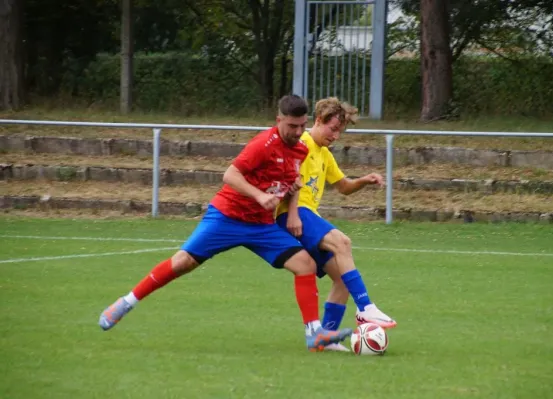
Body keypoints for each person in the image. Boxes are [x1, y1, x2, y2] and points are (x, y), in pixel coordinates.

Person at [98, 95, 352, 352]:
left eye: (301, 126)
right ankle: (126, 302)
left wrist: (293, 209)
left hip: (261, 225)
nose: (297, 132)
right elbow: (230, 174)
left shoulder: (300, 149)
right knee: (182, 262)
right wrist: (259, 195)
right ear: (279, 121)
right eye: (292, 126)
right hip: (228, 216)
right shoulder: (263, 144)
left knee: (305, 264)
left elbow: (293, 180)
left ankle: (314, 333)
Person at [276, 97, 396, 352]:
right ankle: (366, 309)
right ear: (318, 120)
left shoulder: (324, 154)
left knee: (342, 277)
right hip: (293, 214)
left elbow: (343, 187)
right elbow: (288, 181)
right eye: (332, 129)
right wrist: (294, 214)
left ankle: (326, 339)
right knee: (343, 242)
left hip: (307, 216)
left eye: (339, 131)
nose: (336, 136)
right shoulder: (303, 144)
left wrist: (364, 180)